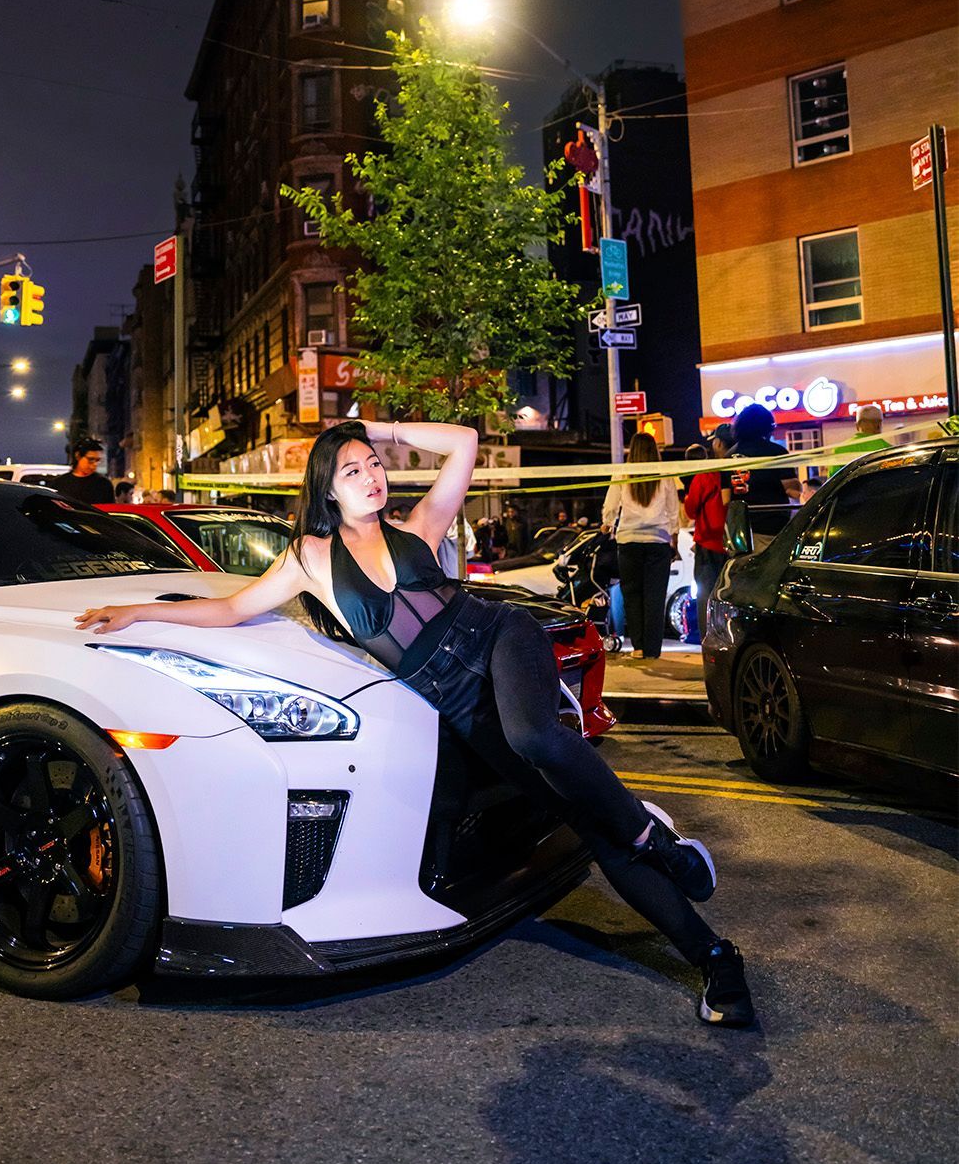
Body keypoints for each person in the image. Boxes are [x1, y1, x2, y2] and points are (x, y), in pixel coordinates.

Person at [76, 419, 754, 1027]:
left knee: (535, 737)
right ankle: (716, 955)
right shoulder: (310, 560)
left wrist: (379, 425)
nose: (371, 475)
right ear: (328, 490)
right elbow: (231, 611)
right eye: (352, 469)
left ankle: (659, 843)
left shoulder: (420, 526)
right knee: (588, 825)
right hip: (462, 708)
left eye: (374, 462)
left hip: (501, 642)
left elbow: (463, 441)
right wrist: (139, 612)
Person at [601, 432, 681, 661]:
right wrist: (673, 536)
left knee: (633, 596)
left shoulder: (623, 473)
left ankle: (637, 647)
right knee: (655, 597)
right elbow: (673, 509)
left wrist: (607, 524)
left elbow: (610, 506)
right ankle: (653, 650)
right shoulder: (665, 474)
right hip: (658, 541)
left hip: (628, 541)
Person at [683, 424, 734, 644]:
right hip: (735, 544)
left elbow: (691, 509)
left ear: (719, 444)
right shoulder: (742, 467)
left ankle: (709, 642)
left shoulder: (705, 474)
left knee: (705, 596)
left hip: (708, 544)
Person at [722, 403, 800, 540]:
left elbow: (725, 499)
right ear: (767, 427)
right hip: (771, 527)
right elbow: (792, 491)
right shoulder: (776, 452)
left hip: (739, 529)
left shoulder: (728, 456)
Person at [48, 439, 115, 506]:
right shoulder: (59, 483)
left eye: (97, 460)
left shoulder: (104, 484)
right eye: (91, 459)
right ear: (78, 456)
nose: (95, 464)